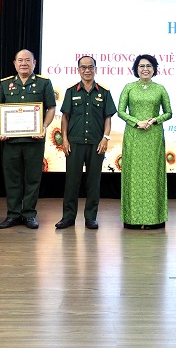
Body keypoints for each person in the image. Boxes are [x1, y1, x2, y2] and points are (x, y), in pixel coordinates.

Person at [0, 49, 57, 229]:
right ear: (14, 63)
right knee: (12, 179)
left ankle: (29, 214)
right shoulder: (6, 84)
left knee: (32, 178)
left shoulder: (44, 83)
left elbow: (51, 108)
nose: (24, 63)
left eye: (27, 60)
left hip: (34, 140)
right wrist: (0, 129)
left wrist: (44, 127)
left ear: (34, 63)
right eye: (20, 60)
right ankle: (13, 214)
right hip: (11, 141)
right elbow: (0, 109)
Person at [56, 56, 116, 230]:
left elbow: (108, 118)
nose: (87, 70)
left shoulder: (104, 92)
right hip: (74, 143)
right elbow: (65, 117)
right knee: (71, 182)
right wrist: (64, 139)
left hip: (96, 143)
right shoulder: (71, 91)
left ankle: (91, 217)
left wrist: (105, 138)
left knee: (93, 182)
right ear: (78, 70)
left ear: (95, 69)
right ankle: (68, 217)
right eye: (83, 67)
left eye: (90, 67)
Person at [117, 54, 172, 229]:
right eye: (141, 66)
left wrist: (155, 120)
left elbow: (169, 113)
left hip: (153, 136)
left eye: (149, 66)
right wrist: (136, 122)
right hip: (133, 135)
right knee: (132, 175)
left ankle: (155, 219)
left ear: (154, 69)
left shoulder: (160, 89)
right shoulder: (129, 87)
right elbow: (120, 111)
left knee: (154, 175)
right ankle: (131, 219)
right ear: (136, 69)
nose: (145, 69)